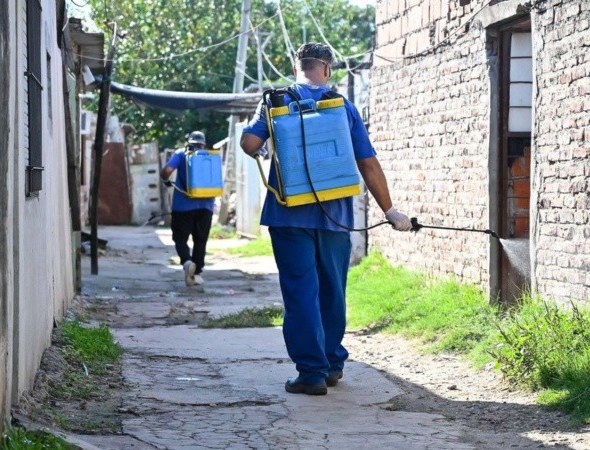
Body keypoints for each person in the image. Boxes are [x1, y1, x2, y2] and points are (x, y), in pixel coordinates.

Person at [240, 42, 412, 395]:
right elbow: (367, 162)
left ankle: (311, 373)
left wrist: (264, 135)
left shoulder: (276, 101)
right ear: (327, 69)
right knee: (333, 290)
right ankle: (333, 364)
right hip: (335, 218)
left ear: (296, 65)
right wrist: (390, 211)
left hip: (288, 217)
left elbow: (248, 144)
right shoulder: (342, 106)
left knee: (301, 292)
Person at [161, 131, 214, 287]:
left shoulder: (181, 154)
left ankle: (186, 262)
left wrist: (165, 180)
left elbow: (167, 171)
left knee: (180, 238)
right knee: (200, 240)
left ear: (189, 142)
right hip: (206, 206)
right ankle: (196, 274)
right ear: (203, 144)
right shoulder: (211, 156)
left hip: (183, 206)